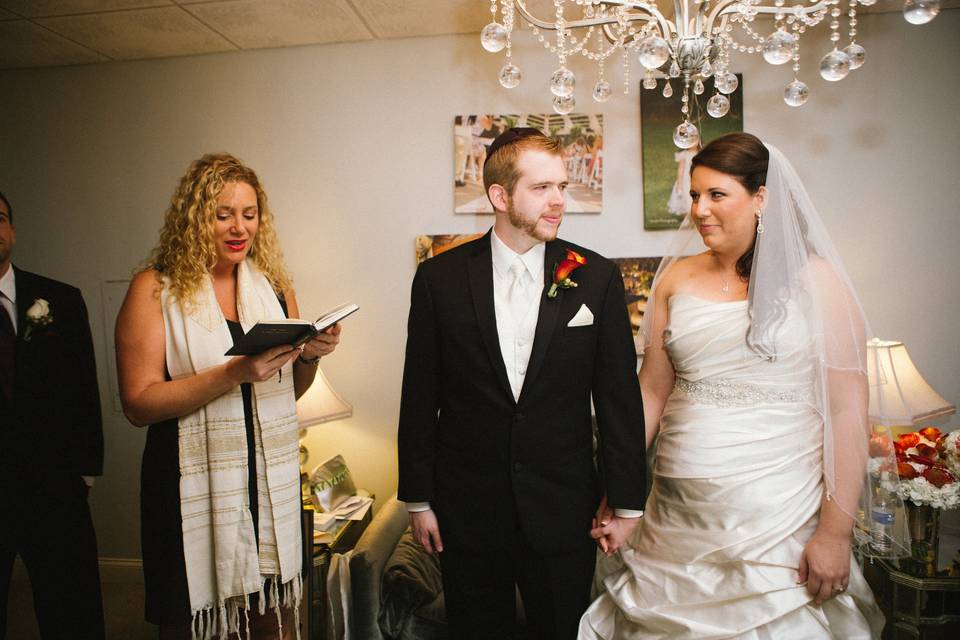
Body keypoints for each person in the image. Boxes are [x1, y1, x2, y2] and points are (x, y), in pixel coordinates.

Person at [579, 133, 907, 639]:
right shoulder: (676, 280)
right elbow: (650, 392)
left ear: (761, 197)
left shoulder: (819, 282)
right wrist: (620, 490)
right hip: (678, 520)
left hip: (778, 521)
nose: (700, 210)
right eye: (694, 196)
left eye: (716, 195)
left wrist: (836, 532)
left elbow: (846, 410)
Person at [397, 128, 647, 640]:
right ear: (499, 195)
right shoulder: (438, 280)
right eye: (541, 188)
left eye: (561, 186)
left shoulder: (595, 277)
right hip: (467, 514)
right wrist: (418, 501)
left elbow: (619, 398)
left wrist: (625, 504)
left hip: (563, 511)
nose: (558, 201)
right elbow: (420, 395)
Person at [115, 154, 341, 639]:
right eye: (222, 214)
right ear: (195, 216)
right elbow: (137, 403)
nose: (239, 227)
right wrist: (231, 374)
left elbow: (290, 394)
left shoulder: (275, 289)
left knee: (271, 623)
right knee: (189, 623)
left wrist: (310, 356)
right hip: (185, 483)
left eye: (249, 214)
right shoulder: (154, 289)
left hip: (265, 480)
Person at [0, 190, 105, 639]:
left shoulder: (58, 299)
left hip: (53, 483)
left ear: (12, 231)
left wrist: (86, 469)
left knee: (71, 608)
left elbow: (84, 384)